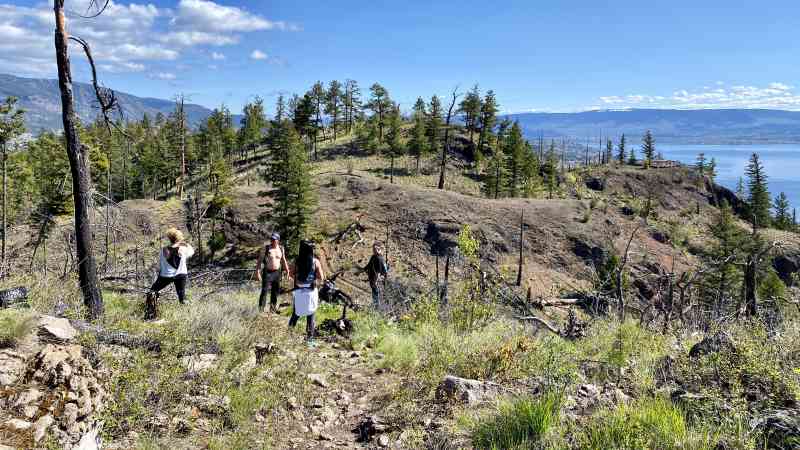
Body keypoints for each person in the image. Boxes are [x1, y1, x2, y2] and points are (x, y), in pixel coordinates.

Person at [146, 228, 194, 319]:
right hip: (181, 275)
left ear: (169, 238)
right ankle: (189, 316)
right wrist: (184, 243)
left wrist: (160, 275)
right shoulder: (183, 249)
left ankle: (150, 314)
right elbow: (192, 252)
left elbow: (160, 265)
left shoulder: (164, 250)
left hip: (166, 275)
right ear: (179, 238)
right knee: (182, 298)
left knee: (152, 292)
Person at [289, 240, 324, 346]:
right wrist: (313, 281)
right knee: (311, 315)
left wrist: (298, 280)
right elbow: (321, 277)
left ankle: (288, 334)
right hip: (311, 291)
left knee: (296, 313)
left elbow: (291, 273)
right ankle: (310, 340)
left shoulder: (297, 261)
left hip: (299, 291)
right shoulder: (315, 262)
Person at [255, 232, 290, 313]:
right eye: (271, 239)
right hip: (267, 272)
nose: (272, 241)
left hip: (277, 272)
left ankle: (272, 309)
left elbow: (283, 260)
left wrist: (287, 270)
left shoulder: (281, 248)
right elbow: (260, 260)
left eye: (274, 239)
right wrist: (257, 272)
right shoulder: (266, 248)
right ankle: (261, 309)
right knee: (264, 291)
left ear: (278, 240)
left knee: (275, 291)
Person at [362, 241, 389, 308]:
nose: (373, 250)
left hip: (377, 279)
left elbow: (379, 272)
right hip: (372, 277)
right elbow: (369, 265)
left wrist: (376, 280)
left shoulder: (379, 259)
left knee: (377, 292)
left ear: (379, 249)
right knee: (374, 291)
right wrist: (361, 271)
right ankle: (376, 305)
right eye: (373, 249)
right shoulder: (373, 256)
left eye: (375, 249)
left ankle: (377, 306)